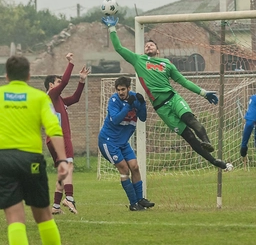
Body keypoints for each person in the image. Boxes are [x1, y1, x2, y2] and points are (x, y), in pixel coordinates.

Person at [101, 16, 234, 172]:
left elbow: (183, 82)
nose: (148, 45)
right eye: (146, 45)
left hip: (173, 98)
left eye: (152, 44)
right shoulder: (139, 60)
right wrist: (111, 28)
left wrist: (204, 93)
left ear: (158, 50)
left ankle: (206, 141)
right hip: (161, 108)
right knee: (189, 137)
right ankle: (216, 162)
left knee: (189, 118)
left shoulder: (167, 64)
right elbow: (119, 48)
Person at [0, 56, 68, 245]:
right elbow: (54, 128)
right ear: (29, 76)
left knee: (14, 218)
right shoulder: (39, 98)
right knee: (44, 216)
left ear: (6, 76)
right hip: (31, 160)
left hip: (4, 160)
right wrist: (62, 160)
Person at [98, 76, 155, 211]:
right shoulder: (114, 100)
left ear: (129, 88)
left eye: (123, 89)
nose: (120, 92)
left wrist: (142, 105)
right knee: (124, 169)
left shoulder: (134, 97)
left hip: (123, 142)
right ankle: (133, 203)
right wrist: (128, 105)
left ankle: (140, 200)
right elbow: (116, 120)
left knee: (134, 167)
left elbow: (143, 117)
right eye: (118, 90)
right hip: (108, 141)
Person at [44, 53, 90, 215]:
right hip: (60, 137)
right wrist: (70, 63)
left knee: (63, 170)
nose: (59, 84)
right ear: (51, 85)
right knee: (69, 166)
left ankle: (56, 206)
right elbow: (64, 82)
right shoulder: (51, 95)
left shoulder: (59, 100)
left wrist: (82, 80)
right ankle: (69, 198)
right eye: (56, 82)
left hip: (53, 139)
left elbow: (76, 98)